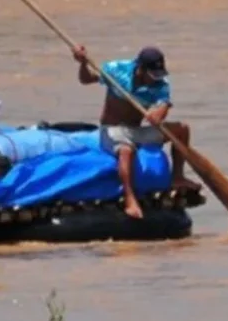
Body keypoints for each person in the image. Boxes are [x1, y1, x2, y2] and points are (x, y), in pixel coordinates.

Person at [72, 44, 201, 219]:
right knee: (126, 150)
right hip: (113, 131)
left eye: (158, 74)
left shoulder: (160, 84)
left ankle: (177, 176)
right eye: (152, 75)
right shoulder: (116, 70)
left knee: (182, 129)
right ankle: (129, 198)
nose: (156, 79)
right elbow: (86, 79)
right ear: (140, 68)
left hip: (137, 131)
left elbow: (163, 105)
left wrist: (158, 114)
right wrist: (82, 63)